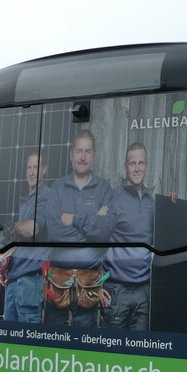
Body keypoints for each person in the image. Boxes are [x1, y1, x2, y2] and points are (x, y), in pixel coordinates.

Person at [42, 130, 116, 327]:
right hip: (57, 283)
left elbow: (106, 231)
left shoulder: (104, 188)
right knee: (51, 344)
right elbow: (54, 231)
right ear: (71, 154)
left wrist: (73, 219)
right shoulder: (57, 187)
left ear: (94, 156)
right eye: (78, 151)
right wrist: (93, 220)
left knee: (87, 346)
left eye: (87, 152)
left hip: (89, 284)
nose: (82, 157)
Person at [104, 142, 174, 331]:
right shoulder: (112, 198)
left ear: (147, 165)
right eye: (132, 163)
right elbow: (94, 239)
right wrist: (97, 283)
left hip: (144, 290)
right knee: (112, 350)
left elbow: (167, 238)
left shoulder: (153, 202)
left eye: (140, 163)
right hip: (117, 290)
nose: (136, 168)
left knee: (141, 351)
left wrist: (171, 206)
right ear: (125, 167)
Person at [2, 152, 50, 324]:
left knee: (27, 338)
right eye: (29, 167)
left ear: (44, 170)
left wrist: (14, 227)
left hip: (30, 279)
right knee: (9, 338)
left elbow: (33, 228)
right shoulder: (27, 200)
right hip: (15, 278)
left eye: (36, 167)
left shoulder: (46, 196)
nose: (31, 172)